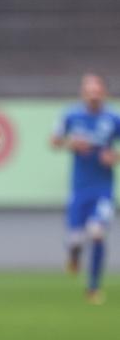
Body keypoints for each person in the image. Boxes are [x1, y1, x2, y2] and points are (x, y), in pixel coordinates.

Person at [51, 73, 120, 304]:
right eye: (89, 91)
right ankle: (73, 253)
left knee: (98, 233)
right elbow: (54, 140)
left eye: (96, 91)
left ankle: (93, 287)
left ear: (103, 92)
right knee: (76, 239)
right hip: (79, 188)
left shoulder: (113, 118)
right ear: (83, 93)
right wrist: (71, 143)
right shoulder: (71, 115)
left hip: (103, 188)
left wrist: (115, 156)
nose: (93, 95)